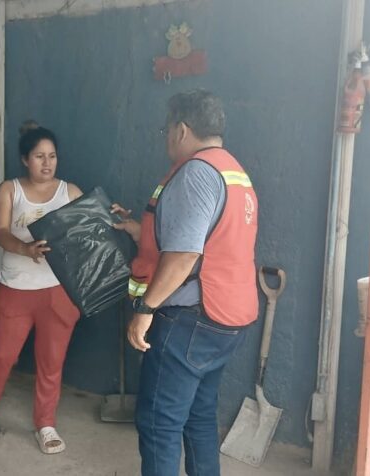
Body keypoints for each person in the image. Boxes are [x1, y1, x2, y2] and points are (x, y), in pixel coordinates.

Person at [112, 89, 259, 476]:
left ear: (181, 129)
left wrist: (144, 310)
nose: (166, 138)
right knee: (198, 419)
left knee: (160, 425)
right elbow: (208, 240)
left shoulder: (195, 173)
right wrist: (136, 229)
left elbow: (183, 257)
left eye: (166, 128)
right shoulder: (232, 171)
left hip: (189, 320)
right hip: (227, 317)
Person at [0, 121, 83, 455]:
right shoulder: (9, 190)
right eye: (39, 156)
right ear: (25, 159)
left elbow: (91, 224)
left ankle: (46, 423)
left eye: (52, 156)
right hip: (15, 289)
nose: (47, 163)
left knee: (51, 361)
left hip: (58, 293)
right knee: (2, 356)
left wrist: (113, 216)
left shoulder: (69, 192)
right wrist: (26, 249)